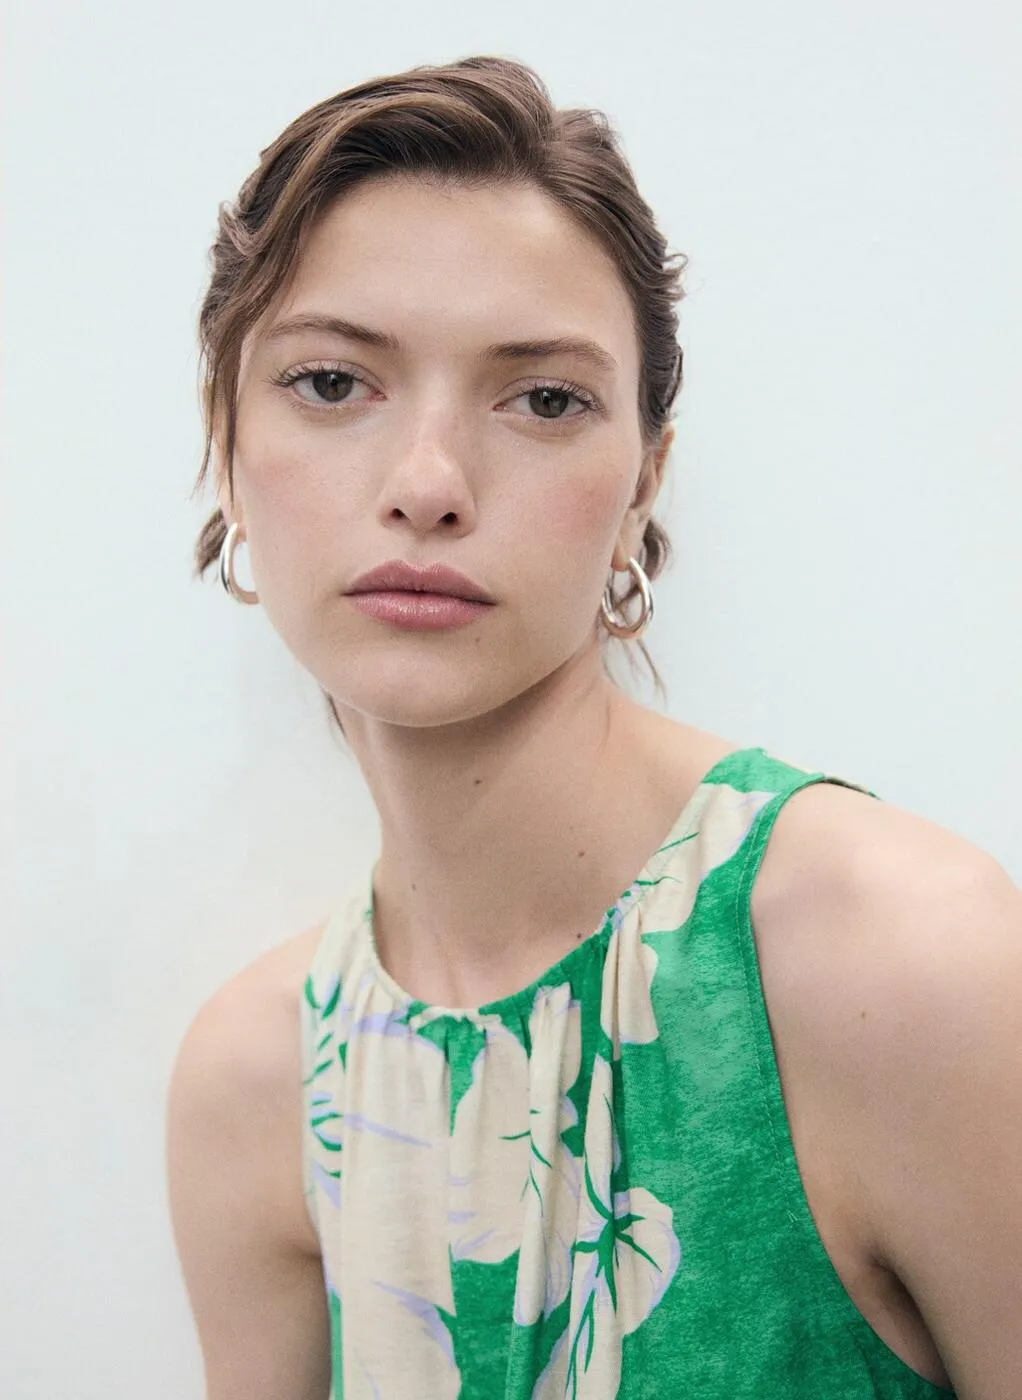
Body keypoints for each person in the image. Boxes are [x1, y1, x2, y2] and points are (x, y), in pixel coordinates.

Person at [165, 55, 1021, 1400]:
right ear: (225, 443)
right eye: (331, 382)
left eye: (544, 398)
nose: (428, 483)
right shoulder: (256, 1082)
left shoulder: (907, 960)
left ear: (641, 486)